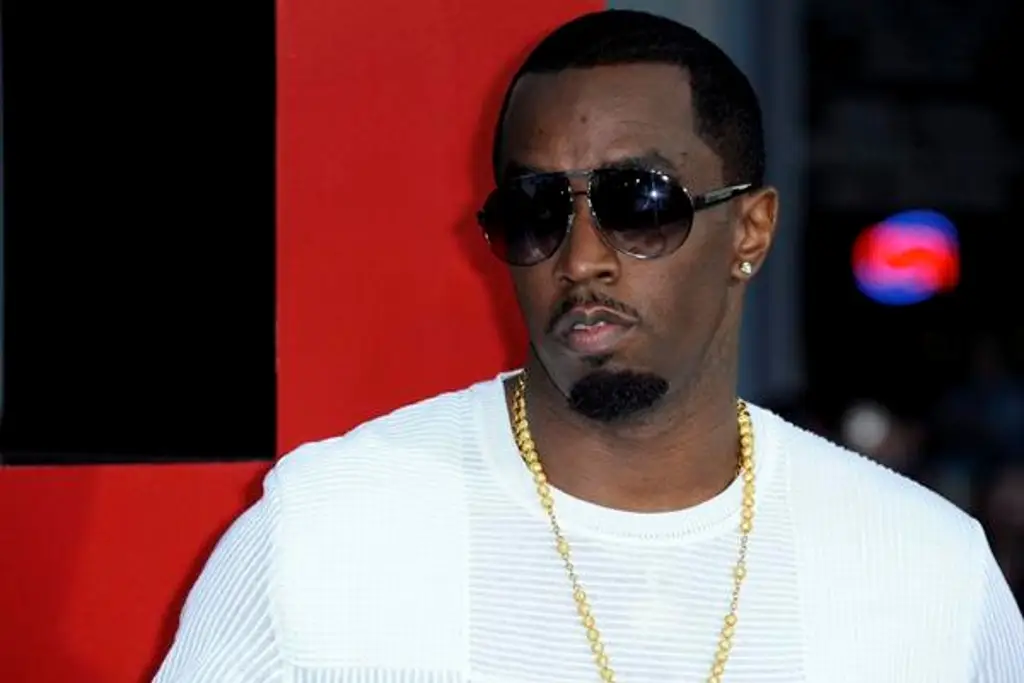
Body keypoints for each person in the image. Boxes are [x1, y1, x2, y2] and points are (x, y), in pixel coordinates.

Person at [155, 10, 1024, 682]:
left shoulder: (924, 570)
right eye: (536, 210)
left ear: (750, 232)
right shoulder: (326, 533)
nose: (580, 259)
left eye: (638, 202)